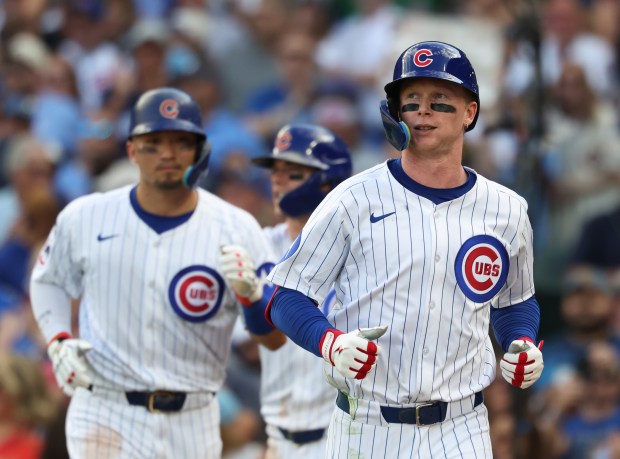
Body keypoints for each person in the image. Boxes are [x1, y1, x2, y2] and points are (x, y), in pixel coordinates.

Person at [264, 41, 545, 458]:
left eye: (439, 99)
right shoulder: (353, 198)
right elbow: (286, 294)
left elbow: (515, 301)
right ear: (395, 114)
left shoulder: (506, 209)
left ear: (470, 112)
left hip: (461, 426)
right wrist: (330, 343)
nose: (423, 111)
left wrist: (520, 341)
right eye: (410, 101)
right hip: (366, 423)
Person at [29, 87, 285, 458]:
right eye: (154, 142)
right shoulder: (85, 215)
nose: (167, 153)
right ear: (132, 150)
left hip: (193, 418)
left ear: (200, 150)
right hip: (105, 410)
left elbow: (274, 340)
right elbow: (48, 280)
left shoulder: (237, 228)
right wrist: (57, 339)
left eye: (181, 142)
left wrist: (252, 298)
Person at [229, 124, 353, 458]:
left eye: (293, 174)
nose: (277, 181)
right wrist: (249, 299)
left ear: (329, 181)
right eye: (275, 173)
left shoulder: (361, 251)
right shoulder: (259, 245)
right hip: (280, 437)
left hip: (346, 435)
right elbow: (262, 344)